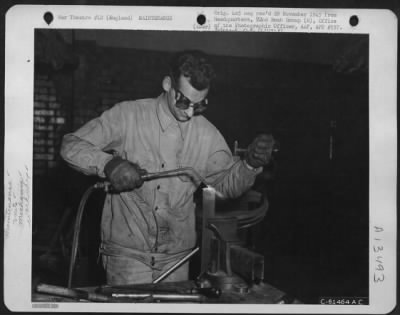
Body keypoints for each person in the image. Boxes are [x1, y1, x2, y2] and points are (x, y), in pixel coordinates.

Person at [60, 50, 275, 285]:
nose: (190, 112)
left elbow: (226, 185)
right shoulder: (129, 116)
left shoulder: (207, 134)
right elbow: (70, 145)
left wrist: (249, 165)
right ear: (167, 84)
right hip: (128, 257)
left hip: (177, 259)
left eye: (200, 105)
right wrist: (108, 163)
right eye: (183, 101)